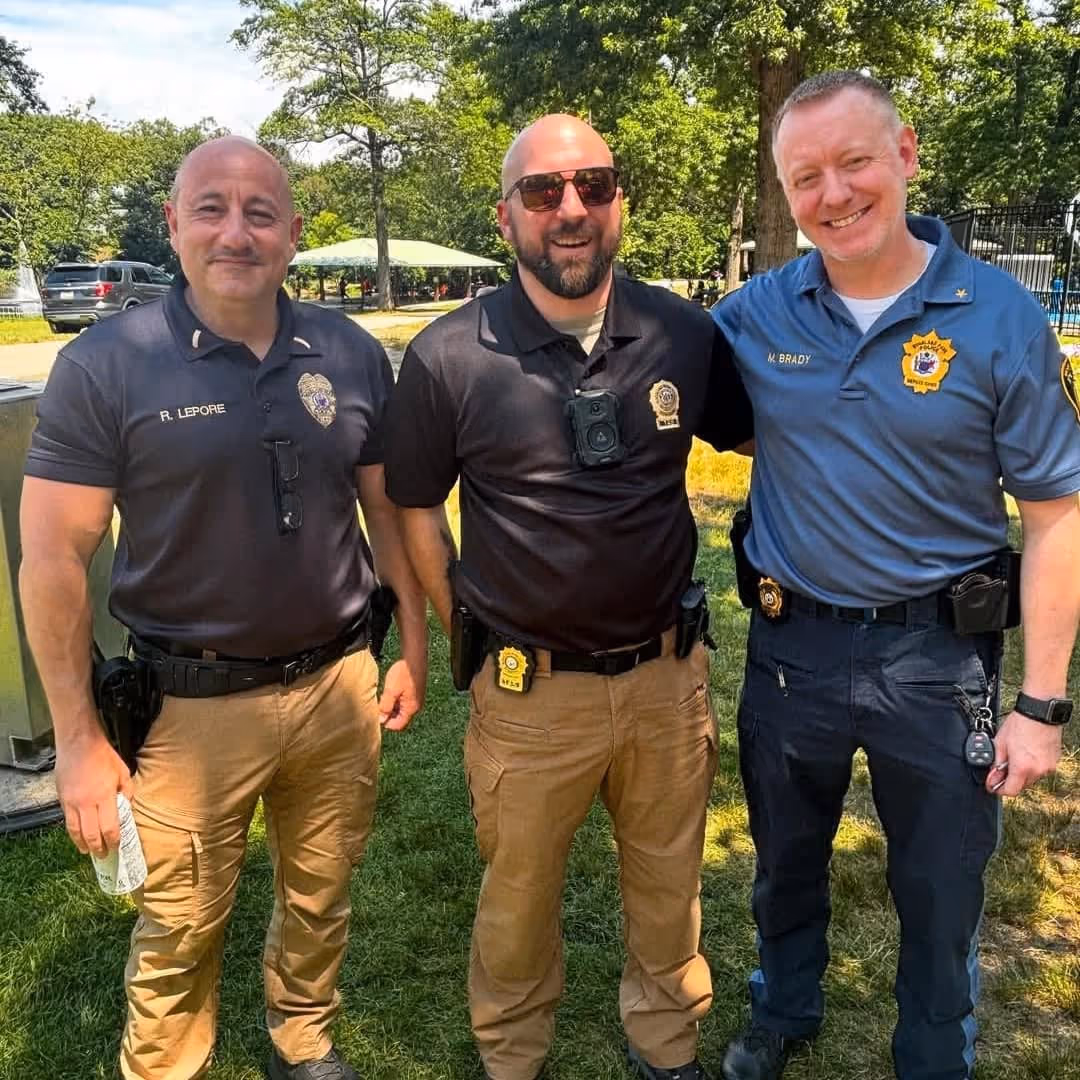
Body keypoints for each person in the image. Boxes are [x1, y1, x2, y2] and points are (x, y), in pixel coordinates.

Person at [19, 136, 428, 1080]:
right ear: (173, 226)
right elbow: (52, 556)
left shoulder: (351, 352)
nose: (235, 232)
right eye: (211, 208)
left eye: (259, 212)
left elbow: (389, 512)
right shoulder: (107, 363)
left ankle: (304, 1038)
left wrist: (408, 647)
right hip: (190, 707)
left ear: (290, 233)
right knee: (180, 920)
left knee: (323, 892)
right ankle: (165, 1066)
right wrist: (79, 741)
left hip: (338, 688)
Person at [712, 71, 1080, 1080]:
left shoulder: (1003, 319)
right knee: (784, 865)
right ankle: (781, 1011)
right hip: (793, 652)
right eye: (806, 176)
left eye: (855, 161)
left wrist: (1042, 705)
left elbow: (1056, 515)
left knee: (940, 884)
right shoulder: (751, 317)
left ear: (907, 153)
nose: (833, 193)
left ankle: (933, 1050)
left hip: (938, 661)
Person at [384, 114, 753, 1080]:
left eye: (593, 183)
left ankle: (667, 1050)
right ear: (507, 217)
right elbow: (415, 505)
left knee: (671, 892)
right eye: (544, 192)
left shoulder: (680, 330)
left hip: (669, 683)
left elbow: (763, 441)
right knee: (517, 904)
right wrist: (465, 621)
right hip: (528, 695)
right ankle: (514, 1059)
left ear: (619, 198)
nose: (572, 209)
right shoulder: (448, 356)